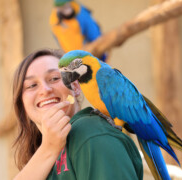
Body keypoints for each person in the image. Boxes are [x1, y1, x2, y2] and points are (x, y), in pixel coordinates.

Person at [12, 48, 143, 180]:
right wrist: (48, 148)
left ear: (75, 86)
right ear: (21, 103)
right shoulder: (47, 156)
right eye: (32, 85)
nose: (45, 90)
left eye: (54, 78)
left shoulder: (92, 135)